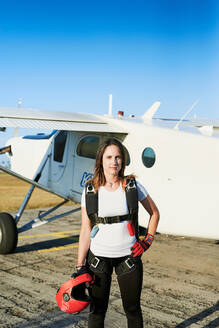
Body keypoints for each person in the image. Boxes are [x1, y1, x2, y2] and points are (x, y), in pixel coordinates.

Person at [75, 138, 160, 328]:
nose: (114, 162)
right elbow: (85, 229)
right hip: (98, 260)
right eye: (109, 157)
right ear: (101, 160)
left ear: (123, 160)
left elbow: (154, 213)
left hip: (128, 259)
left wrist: (147, 241)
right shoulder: (89, 190)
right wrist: (79, 265)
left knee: (132, 310)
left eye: (118, 157)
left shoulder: (132, 187)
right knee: (97, 312)